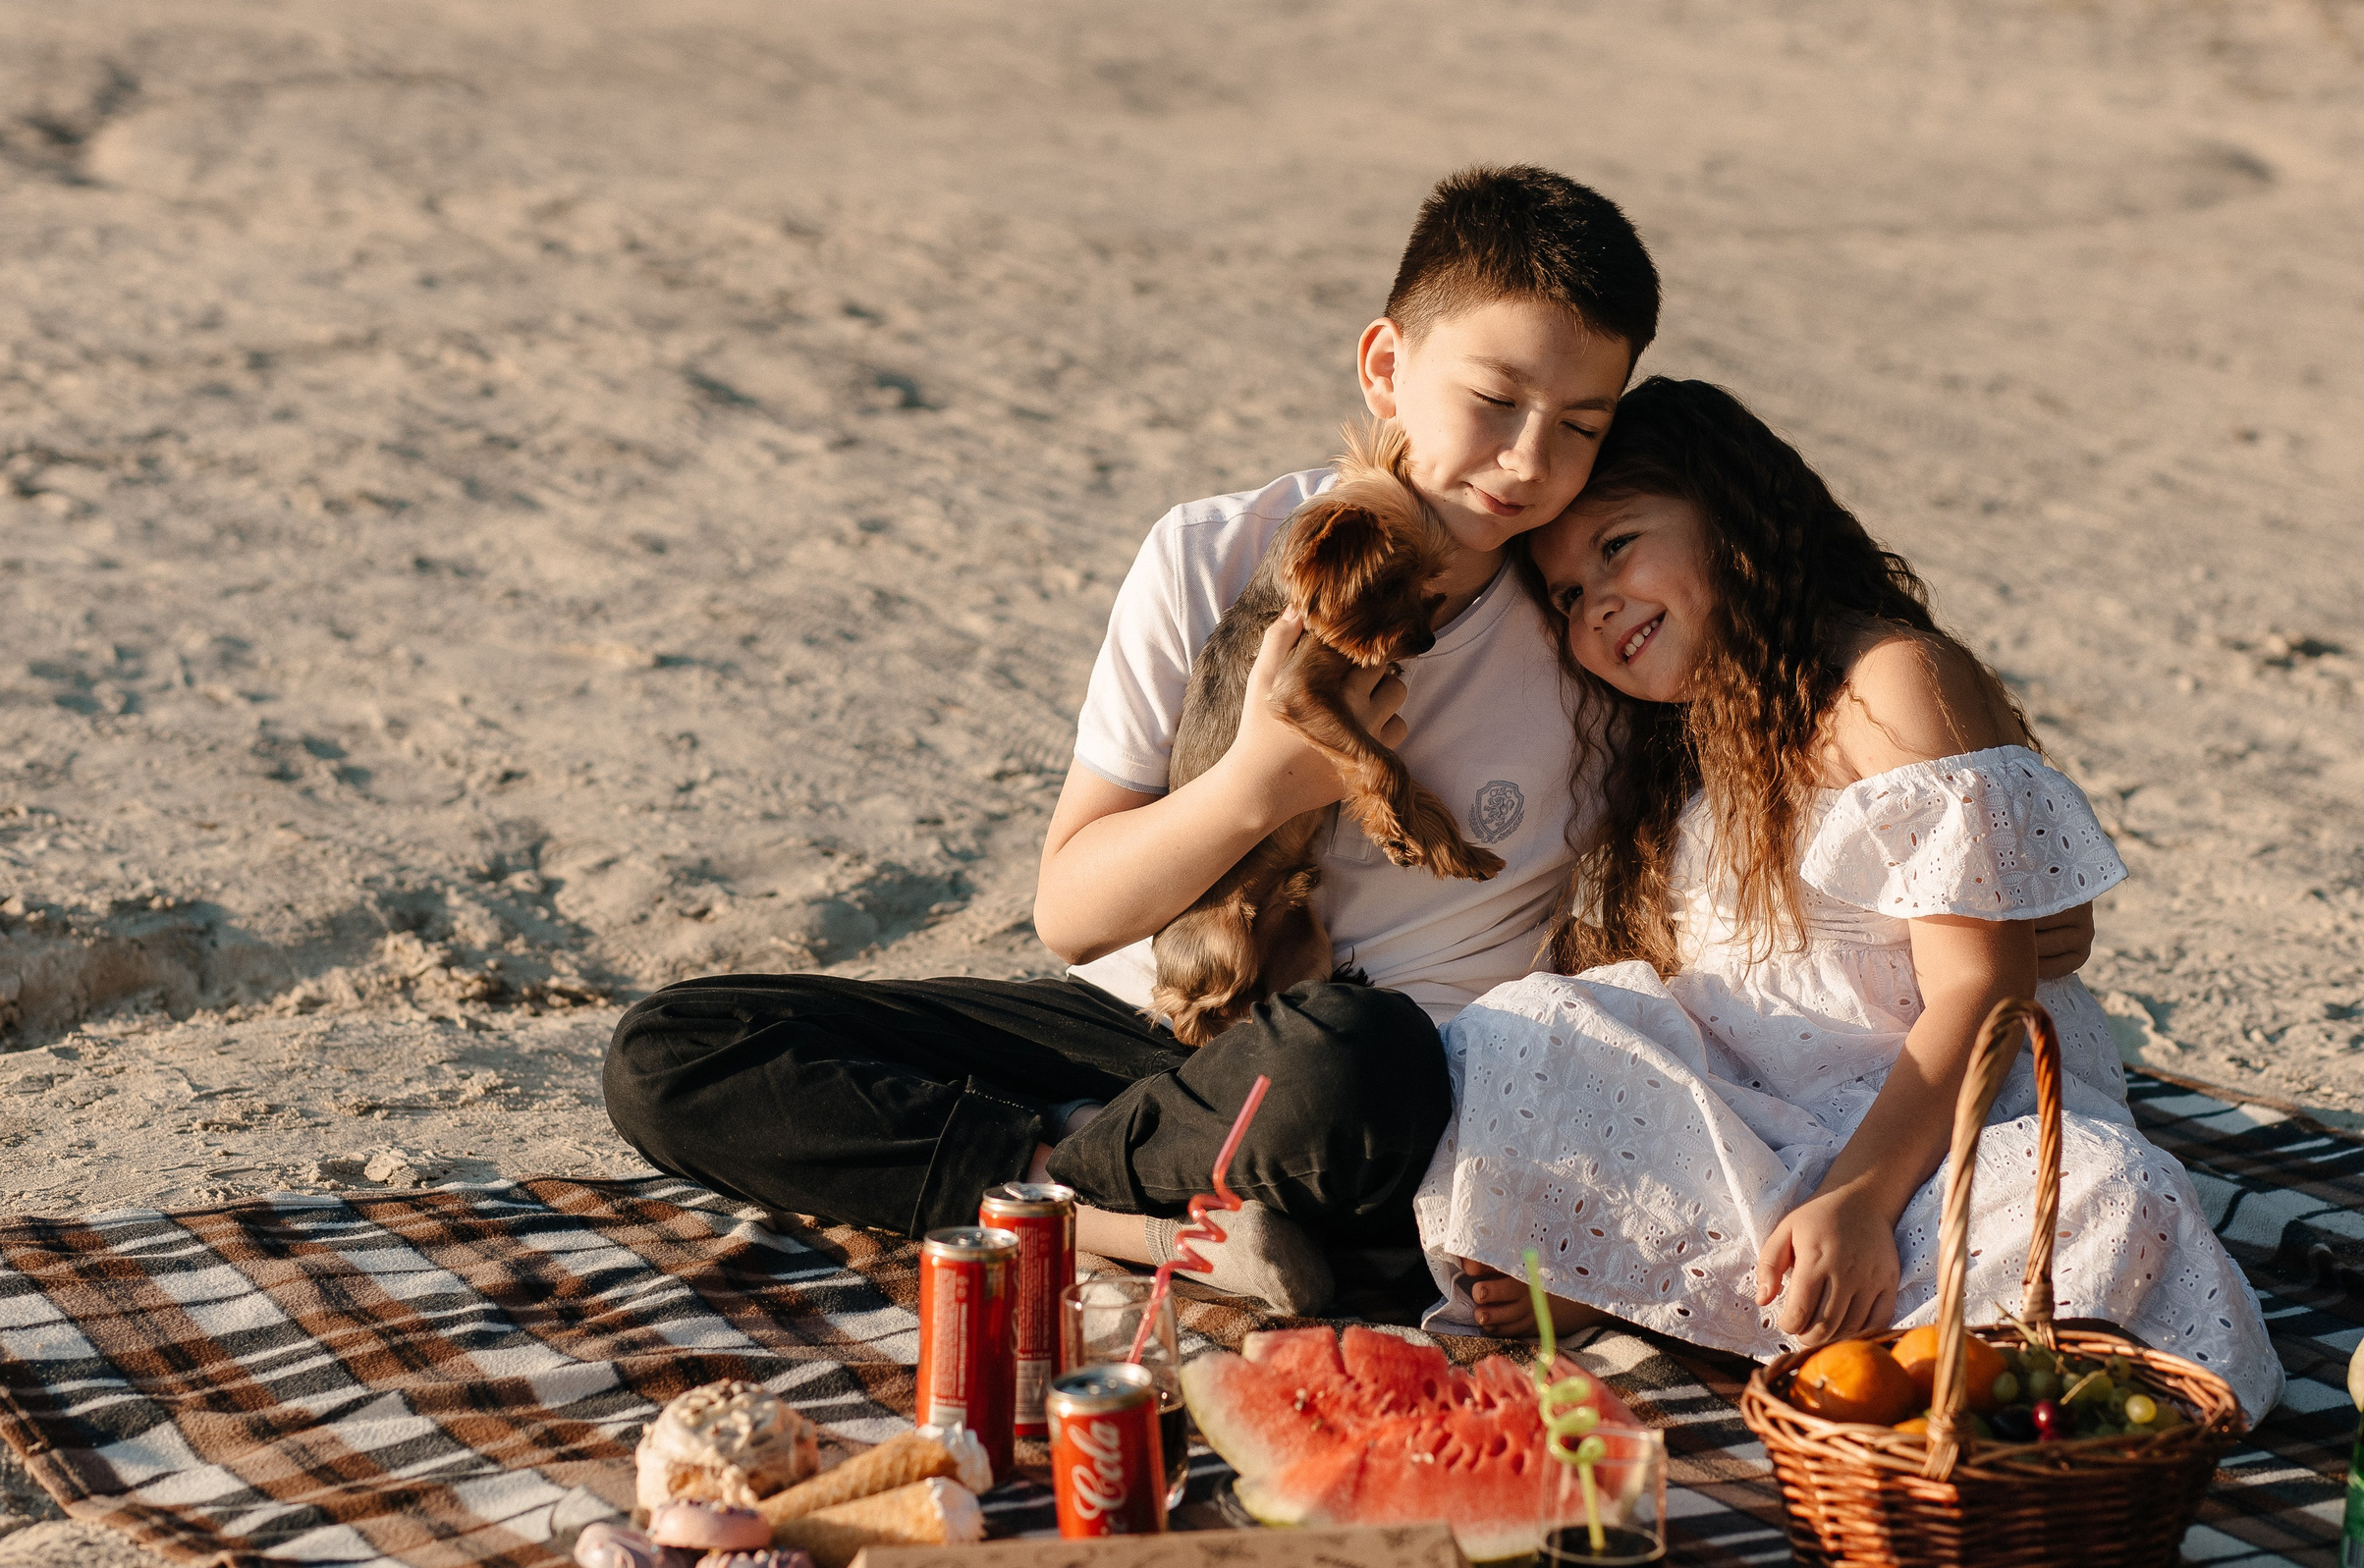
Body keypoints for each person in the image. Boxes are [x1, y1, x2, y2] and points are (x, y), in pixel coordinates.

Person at [604, 170, 2095, 1319]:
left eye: (1580, 424)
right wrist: (1258, 782)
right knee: (674, 1051)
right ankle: (1106, 1204)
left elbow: (1867, 802)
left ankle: (1087, 1182)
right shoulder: (1213, 553)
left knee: (1352, 1060)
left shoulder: (1591, 627)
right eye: (1493, 401)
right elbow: (1071, 912)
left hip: (1386, 1083)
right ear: (1385, 365)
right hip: (1143, 1033)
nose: (1529, 462)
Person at [1416, 377, 2282, 1423]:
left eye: (1617, 546)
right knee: (1520, 1027)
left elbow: (1983, 989)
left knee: (2113, 1190)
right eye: (1564, 597)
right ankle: (1718, 1282)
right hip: (1762, 1145)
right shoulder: (1679, 747)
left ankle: (1733, 1289)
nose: (1595, 603)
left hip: (1936, 1141)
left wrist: (1862, 1202)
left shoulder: (1889, 684)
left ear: (1731, 515)